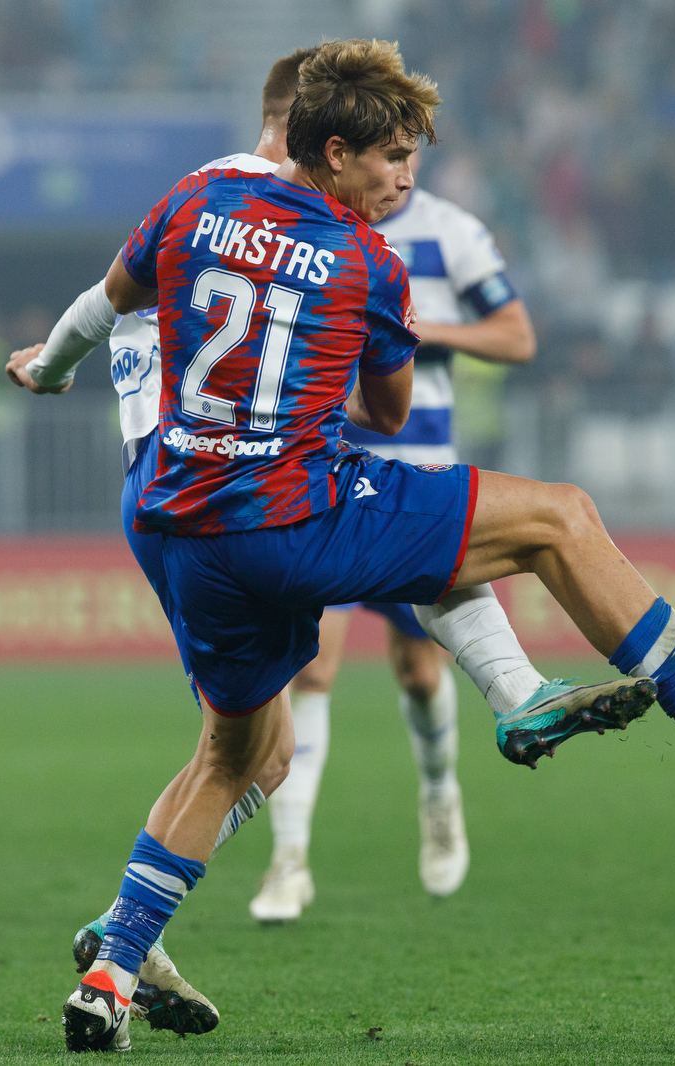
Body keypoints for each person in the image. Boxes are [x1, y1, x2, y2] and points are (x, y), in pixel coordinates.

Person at [9, 40, 675, 1053]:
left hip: (175, 527)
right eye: (392, 157)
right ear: (330, 149)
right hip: (289, 520)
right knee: (557, 519)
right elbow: (388, 406)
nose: (407, 178)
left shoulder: (193, 207)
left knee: (242, 756)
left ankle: (111, 964)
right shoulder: (370, 263)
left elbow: (107, 302)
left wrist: (47, 370)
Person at [249, 162, 539, 922]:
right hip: (324, 479)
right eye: (389, 149)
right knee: (312, 670)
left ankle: (440, 796)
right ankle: (289, 860)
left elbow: (517, 336)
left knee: (417, 672)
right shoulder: (305, 228)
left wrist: (422, 331)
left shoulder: (449, 231)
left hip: (416, 481)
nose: (400, 167)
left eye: (410, 150)